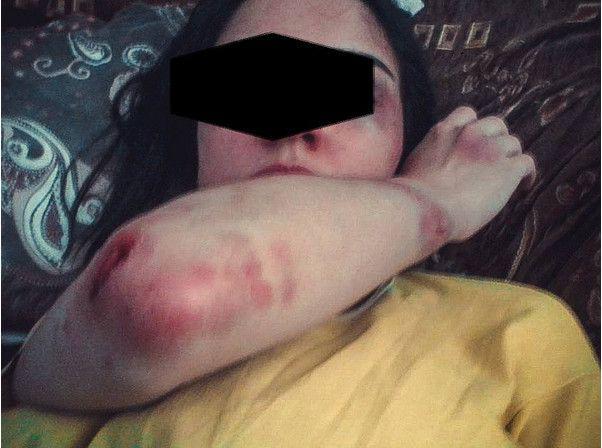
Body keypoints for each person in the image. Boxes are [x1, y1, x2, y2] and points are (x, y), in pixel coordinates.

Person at [3, 0, 599, 446]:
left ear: (406, 140)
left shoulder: (518, 331)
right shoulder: (69, 326)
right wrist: (436, 200)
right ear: (193, 139)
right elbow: (171, 297)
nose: (293, 123)